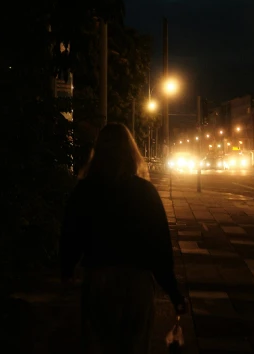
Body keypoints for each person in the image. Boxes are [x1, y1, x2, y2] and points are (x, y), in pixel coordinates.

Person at [60, 123, 186, 353]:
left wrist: (67, 270)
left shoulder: (85, 190)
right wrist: (173, 292)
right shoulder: (145, 192)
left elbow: (70, 233)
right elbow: (160, 246)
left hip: (100, 280)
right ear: (131, 153)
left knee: (99, 344)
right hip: (137, 284)